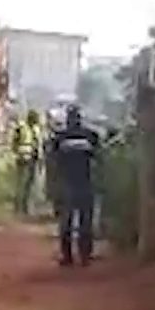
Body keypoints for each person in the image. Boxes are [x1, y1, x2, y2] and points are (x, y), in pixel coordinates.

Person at [48, 104, 103, 266]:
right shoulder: (91, 136)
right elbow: (99, 160)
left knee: (66, 223)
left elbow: (53, 162)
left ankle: (67, 257)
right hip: (86, 183)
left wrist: (52, 186)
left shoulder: (60, 138)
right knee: (86, 222)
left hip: (67, 185)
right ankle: (85, 256)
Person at [9, 109, 43, 216]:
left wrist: (40, 159)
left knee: (29, 183)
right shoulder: (21, 128)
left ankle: (25, 206)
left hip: (33, 158)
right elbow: (14, 142)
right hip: (23, 158)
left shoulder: (37, 129)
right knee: (22, 183)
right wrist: (18, 153)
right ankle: (18, 206)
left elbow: (38, 144)